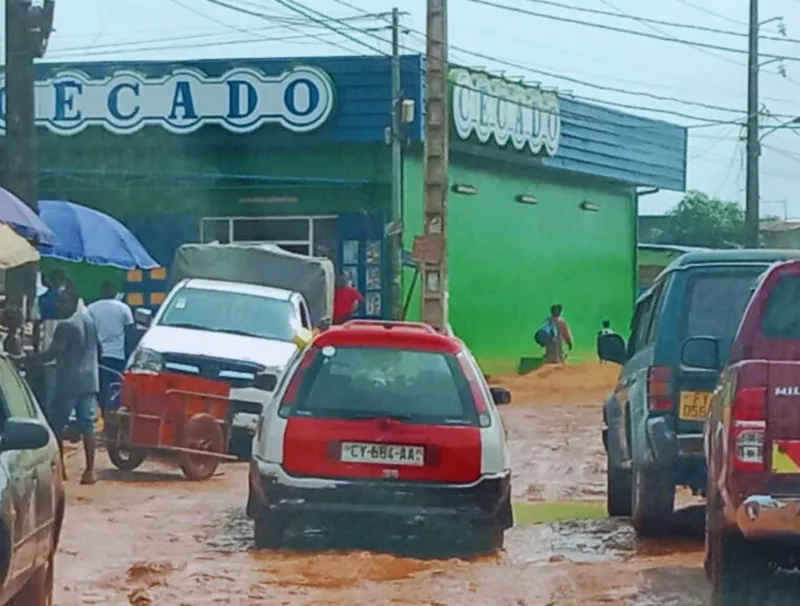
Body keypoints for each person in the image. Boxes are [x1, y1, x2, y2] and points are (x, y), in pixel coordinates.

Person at [31, 289, 101, 485]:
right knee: (88, 425)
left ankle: (61, 470)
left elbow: (52, 352)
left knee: (56, 425)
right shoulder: (89, 321)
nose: (59, 306)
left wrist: (31, 359)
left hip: (69, 381)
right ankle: (90, 471)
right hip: (90, 380)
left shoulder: (66, 326)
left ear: (73, 302)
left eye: (63, 302)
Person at [88, 280, 133, 413]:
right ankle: (111, 416)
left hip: (99, 357)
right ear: (114, 293)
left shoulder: (91, 308)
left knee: (100, 388)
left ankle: (102, 413)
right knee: (116, 389)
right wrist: (130, 354)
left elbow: (89, 332)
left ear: (101, 292)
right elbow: (130, 332)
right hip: (118, 356)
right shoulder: (123, 308)